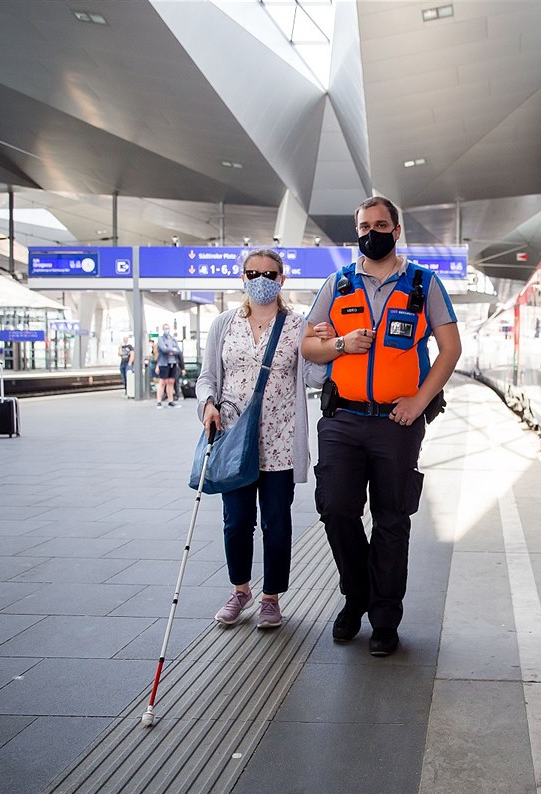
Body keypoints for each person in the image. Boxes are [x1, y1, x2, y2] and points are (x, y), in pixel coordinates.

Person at [302, 195, 462, 657]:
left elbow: (450, 349)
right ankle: (357, 598)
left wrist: (419, 400)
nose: (370, 231)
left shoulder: (423, 284)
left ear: (396, 230)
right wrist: (341, 345)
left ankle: (385, 617)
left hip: (397, 422)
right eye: (363, 225)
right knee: (336, 511)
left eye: (379, 224)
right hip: (342, 419)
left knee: (392, 520)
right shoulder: (338, 284)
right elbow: (308, 348)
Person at [195, 249, 325, 629]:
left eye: (269, 273)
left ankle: (271, 598)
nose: (261, 279)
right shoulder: (223, 324)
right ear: (243, 278)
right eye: (253, 273)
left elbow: (314, 380)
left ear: (282, 279)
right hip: (235, 439)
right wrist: (206, 405)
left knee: (276, 522)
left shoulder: (298, 325)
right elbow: (207, 377)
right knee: (235, 521)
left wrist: (324, 347)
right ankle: (240, 590)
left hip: (281, 443)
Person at [155, 324, 182, 408]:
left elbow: (179, 351)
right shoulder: (160, 339)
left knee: (171, 382)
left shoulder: (173, 339)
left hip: (173, 363)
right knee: (162, 382)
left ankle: (170, 401)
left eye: (168, 328)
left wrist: (171, 350)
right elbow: (163, 350)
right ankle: (159, 401)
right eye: (165, 328)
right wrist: (172, 350)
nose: (167, 330)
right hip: (164, 363)